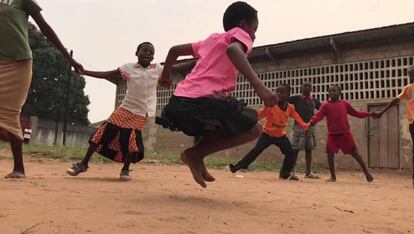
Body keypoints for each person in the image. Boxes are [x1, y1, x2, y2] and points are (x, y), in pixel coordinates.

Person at [157, 1, 277, 188]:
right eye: (254, 29)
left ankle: (197, 155)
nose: (254, 35)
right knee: (253, 129)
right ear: (244, 25)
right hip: (206, 100)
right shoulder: (240, 35)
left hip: (181, 102)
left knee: (220, 127)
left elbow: (174, 51)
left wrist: (166, 75)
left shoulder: (211, 40)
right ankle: (195, 154)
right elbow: (233, 50)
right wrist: (260, 87)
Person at [0, 0, 83, 178]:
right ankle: (5, 134)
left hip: (18, 63)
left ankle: (19, 169)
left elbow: (45, 28)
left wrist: (69, 59)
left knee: (11, 112)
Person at [66, 42, 162, 181]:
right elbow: (107, 73)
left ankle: (125, 169)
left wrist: (199, 61)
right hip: (125, 108)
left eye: (150, 52)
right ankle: (83, 164)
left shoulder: (157, 69)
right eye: (144, 51)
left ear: (153, 57)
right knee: (100, 134)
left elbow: (175, 67)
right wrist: (85, 72)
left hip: (141, 113)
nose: (147, 53)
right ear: (137, 53)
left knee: (130, 140)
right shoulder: (129, 68)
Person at [229, 84, 309, 179]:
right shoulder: (271, 106)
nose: (278, 94)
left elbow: (297, 117)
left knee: (290, 153)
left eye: (282, 92)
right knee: (256, 151)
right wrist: (247, 121)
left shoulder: (290, 108)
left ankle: (285, 173)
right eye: (277, 92)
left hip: (280, 136)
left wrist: (305, 126)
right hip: (267, 134)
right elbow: (259, 115)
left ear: (288, 95)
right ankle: (238, 166)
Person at [309, 85, 379, 182]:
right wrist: (312, 122)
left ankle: (367, 173)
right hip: (332, 135)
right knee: (330, 155)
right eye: (329, 91)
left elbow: (357, 114)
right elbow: (318, 116)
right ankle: (333, 176)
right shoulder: (325, 106)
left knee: (356, 154)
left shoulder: (344, 104)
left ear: (339, 93)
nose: (331, 93)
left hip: (345, 134)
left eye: (334, 90)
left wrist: (370, 114)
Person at [376, 65, 414, 186]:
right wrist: (382, 111)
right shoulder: (408, 88)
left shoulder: (409, 88)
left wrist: (382, 111)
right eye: (409, 74)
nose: (410, 77)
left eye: (412, 74)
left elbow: (395, 100)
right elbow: (396, 100)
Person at [288, 82, 321, 179]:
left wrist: (315, 120)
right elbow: (285, 101)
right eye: (305, 86)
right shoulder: (297, 98)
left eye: (309, 86)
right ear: (301, 88)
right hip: (298, 127)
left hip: (310, 127)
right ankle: (291, 172)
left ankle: (308, 172)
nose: (307, 87)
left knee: (309, 149)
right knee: (295, 149)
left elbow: (322, 110)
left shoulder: (314, 100)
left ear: (311, 89)